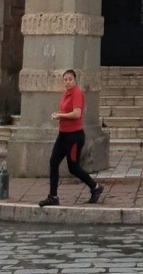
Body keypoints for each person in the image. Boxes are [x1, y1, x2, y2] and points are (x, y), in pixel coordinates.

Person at [39, 69, 104, 207]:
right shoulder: (64, 93)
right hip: (63, 134)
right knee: (53, 161)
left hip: (74, 136)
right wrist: (59, 114)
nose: (68, 82)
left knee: (73, 167)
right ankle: (53, 197)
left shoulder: (77, 93)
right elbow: (65, 110)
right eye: (65, 79)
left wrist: (61, 115)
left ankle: (95, 187)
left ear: (75, 80)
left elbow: (76, 113)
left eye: (70, 79)